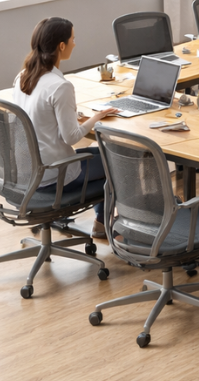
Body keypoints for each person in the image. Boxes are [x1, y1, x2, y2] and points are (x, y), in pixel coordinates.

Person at [12, 18, 119, 238]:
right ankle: (108, 224)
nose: (75, 43)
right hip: (54, 174)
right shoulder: (60, 86)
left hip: (28, 172)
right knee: (116, 159)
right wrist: (97, 117)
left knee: (98, 153)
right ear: (62, 46)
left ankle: (101, 223)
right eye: (73, 38)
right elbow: (71, 138)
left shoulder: (22, 77)